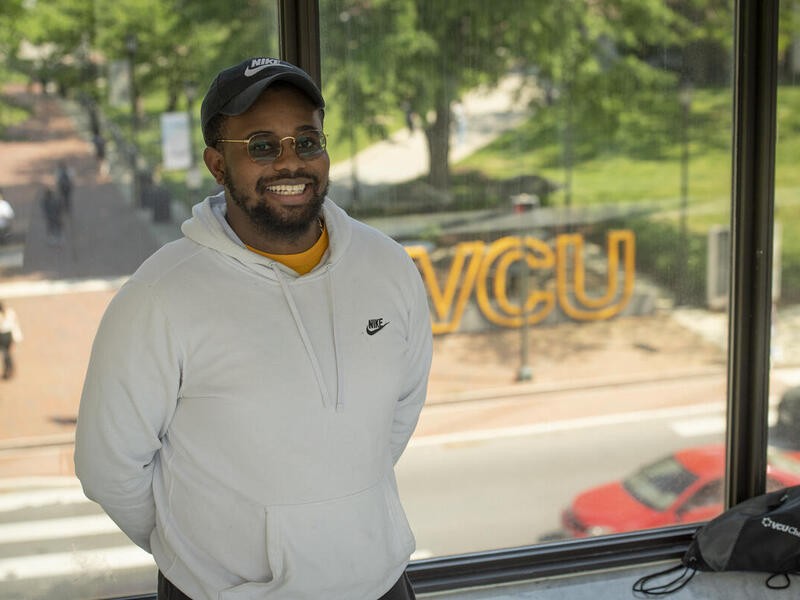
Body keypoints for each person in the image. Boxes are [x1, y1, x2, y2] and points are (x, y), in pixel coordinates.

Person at [74, 57, 433, 600]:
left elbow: (400, 412)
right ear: (217, 165)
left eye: (306, 141)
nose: (291, 162)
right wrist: (200, 554)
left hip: (379, 584)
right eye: (262, 145)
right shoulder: (160, 295)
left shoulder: (389, 266)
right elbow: (109, 467)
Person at [0, 302, 23, 379]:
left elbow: (14, 324)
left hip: (4, 336)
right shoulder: (10, 312)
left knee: (6, 353)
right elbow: (14, 324)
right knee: (7, 353)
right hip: (7, 335)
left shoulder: (9, 313)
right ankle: (9, 368)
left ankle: (8, 369)